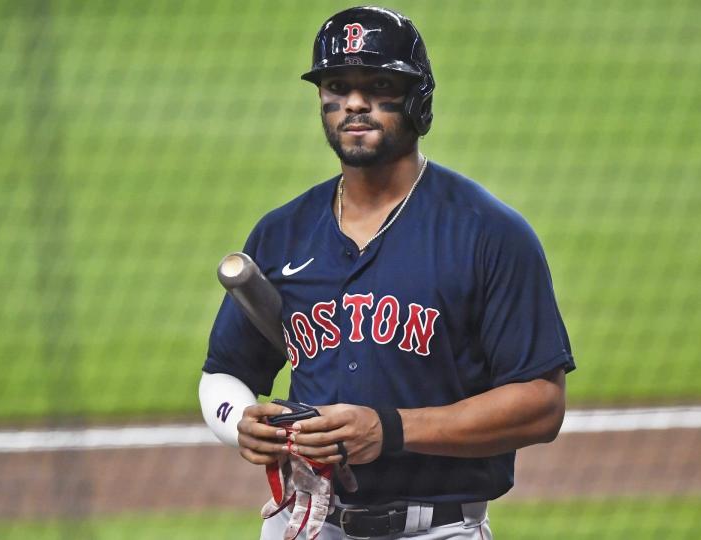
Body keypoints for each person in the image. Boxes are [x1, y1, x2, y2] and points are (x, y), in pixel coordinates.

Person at [199, 6, 575, 539]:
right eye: (337, 85)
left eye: (377, 84)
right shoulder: (281, 234)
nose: (354, 102)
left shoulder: (488, 234)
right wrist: (238, 421)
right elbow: (223, 374)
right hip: (308, 524)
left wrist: (391, 430)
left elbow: (542, 405)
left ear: (418, 101)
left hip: (437, 529)